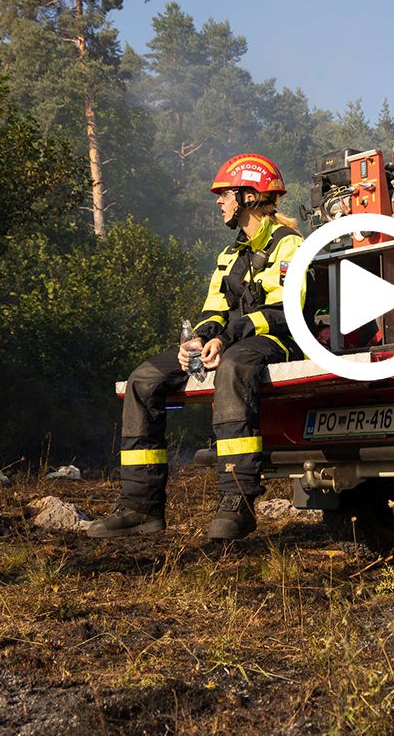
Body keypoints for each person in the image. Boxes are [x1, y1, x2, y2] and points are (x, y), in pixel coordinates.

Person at [89, 153, 304, 541]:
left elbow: (286, 311)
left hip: (278, 342)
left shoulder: (290, 246)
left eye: (225, 194)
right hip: (228, 343)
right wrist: (200, 338)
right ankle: (140, 507)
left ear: (249, 196)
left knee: (235, 366)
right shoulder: (229, 255)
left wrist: (226, 338)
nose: (219, 201)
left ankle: (236, 502)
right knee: (143, 379)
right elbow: (213, 308)